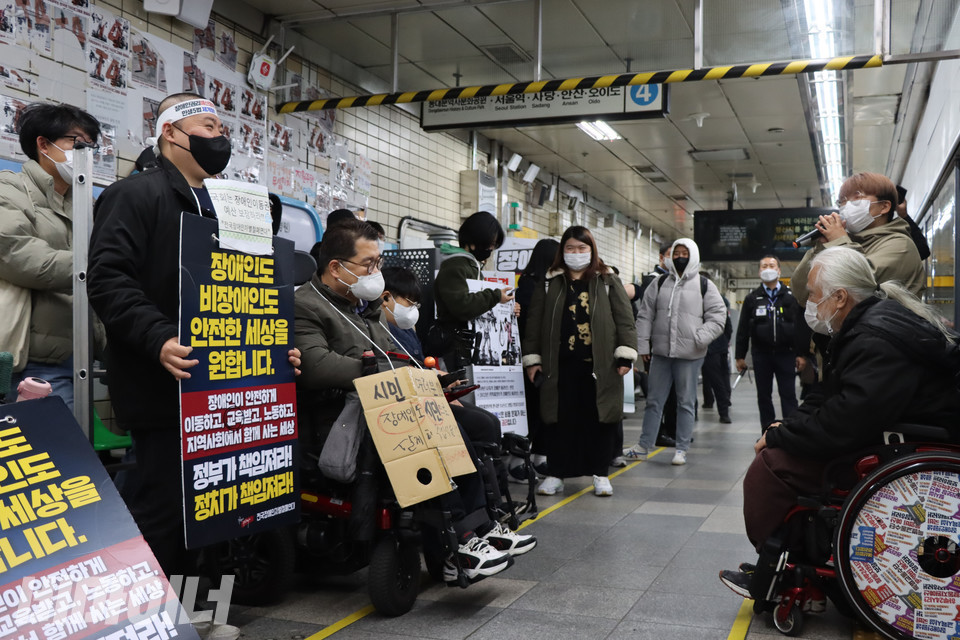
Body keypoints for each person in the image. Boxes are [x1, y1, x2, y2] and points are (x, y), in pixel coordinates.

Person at [88, 93, 302, 580]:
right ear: (171, 132)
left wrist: (272, 348)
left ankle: (190, 610)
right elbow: (108, 279)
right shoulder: (134, 195)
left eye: (222, 128)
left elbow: (251, 289)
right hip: (166, 384)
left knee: (208, 516)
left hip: (230, 390)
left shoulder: (232, 206)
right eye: (209, 125)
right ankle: (145, 617)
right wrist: (159, 336)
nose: (220, 137)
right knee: (162, 511)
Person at [295, 221, 534, 582]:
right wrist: (389, 375)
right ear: (336, 267)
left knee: (478, 423)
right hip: (345, 414)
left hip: (390, 401)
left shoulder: (364, 306)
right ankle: (461, 540)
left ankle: (484, 524)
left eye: (378, 263)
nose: (376, 273)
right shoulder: (306, 305)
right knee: (437, 429)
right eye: (369, 264)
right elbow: (318, 365)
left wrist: (428, 380)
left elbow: (392, 354)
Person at [719, 246, 960, 598]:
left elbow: (844, 422)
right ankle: (787, 559)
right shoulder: (868, 325)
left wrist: (781, 441)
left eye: (815, 296)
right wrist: (785, 428)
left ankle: (784, 569)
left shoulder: (875, 339)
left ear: (840, 297)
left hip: (901, 442)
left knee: (771, 468)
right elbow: (826, 394)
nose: (811, 305)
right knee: (782, 447)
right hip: (890, 429)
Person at [522, 226, 637, 497]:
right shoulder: (549, 282)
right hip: (559, 366)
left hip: (600, 366)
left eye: (582, 248)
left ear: (592, 250)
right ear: (563, 251)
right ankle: (556, 473)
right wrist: (532, 360)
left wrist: (625, 354)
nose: (576, 253)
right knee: (559, 420)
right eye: (570, 248)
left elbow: (625, 320)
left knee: (600, 420)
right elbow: (534, 324)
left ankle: (600, 474)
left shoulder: (607, 280)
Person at [0, 102, 100, 410]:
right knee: (52, 454)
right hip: (30, 362)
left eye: (91, 147)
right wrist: (99, 268)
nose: (85, 153)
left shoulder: (84, 204)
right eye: (76, 142)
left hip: (80, 359)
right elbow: (17, 253)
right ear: (43, 144)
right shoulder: (9, 188)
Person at [624, 238, 726, 466]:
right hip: (661, 353)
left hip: (690, 355)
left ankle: (681, 448)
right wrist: (644, 346)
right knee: (654, 401)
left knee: (686, 402)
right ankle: (643, 445)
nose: (680, 257)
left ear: (693, 255)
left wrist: (699, 338)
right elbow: (645, 315)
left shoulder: (704, 285)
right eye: (676, 253)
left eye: (684, 253)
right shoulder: (659, 283)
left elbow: (718, 316)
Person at [790, 172, 925, 305]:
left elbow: (861, 285)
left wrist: (839, 241)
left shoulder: (901, 245)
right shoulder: (847, 243)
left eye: (857, 197)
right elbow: (803, 295)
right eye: (842, 201)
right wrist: (820, 249)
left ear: (884, 206)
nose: (846, 206)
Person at [429, 211, 513, 370]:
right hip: (454, 350)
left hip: (469, 348)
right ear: (472, 241)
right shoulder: (456, 266)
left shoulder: (470, 265)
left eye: (493, 245)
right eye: (489, 243)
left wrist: (507, 309)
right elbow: (463, 306)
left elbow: (479, 305)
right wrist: (495, 297)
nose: (490, 248)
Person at [734, 255, 802, 429]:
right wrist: (739, 356)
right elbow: (742, 329)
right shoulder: (752, 298)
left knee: (788, 394)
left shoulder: (790, 296)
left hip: (786, 353)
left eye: (772, 265)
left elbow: (800, 327)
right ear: (759, 272)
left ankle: (791, 432)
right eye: (764, 266)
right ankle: (767, 432)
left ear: (779, 270)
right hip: (761, 354)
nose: (768, 268)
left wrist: (802, 354)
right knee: (764, 396)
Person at [511, 238, 559, 480]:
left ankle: (541, 457)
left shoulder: (550, 283)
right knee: (530, 410)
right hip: (530, 358)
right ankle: (517, 462)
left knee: (543, 410)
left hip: (545, 357)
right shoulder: (530, 285)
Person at [701, 290, 732, 423]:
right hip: (720, 346)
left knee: (713, 379)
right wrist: (724, 341)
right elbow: (728, 327)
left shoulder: (699, 302)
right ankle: (724, 408)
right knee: (722, 377)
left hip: (708, 347)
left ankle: (717, 408)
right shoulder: (721, 301)